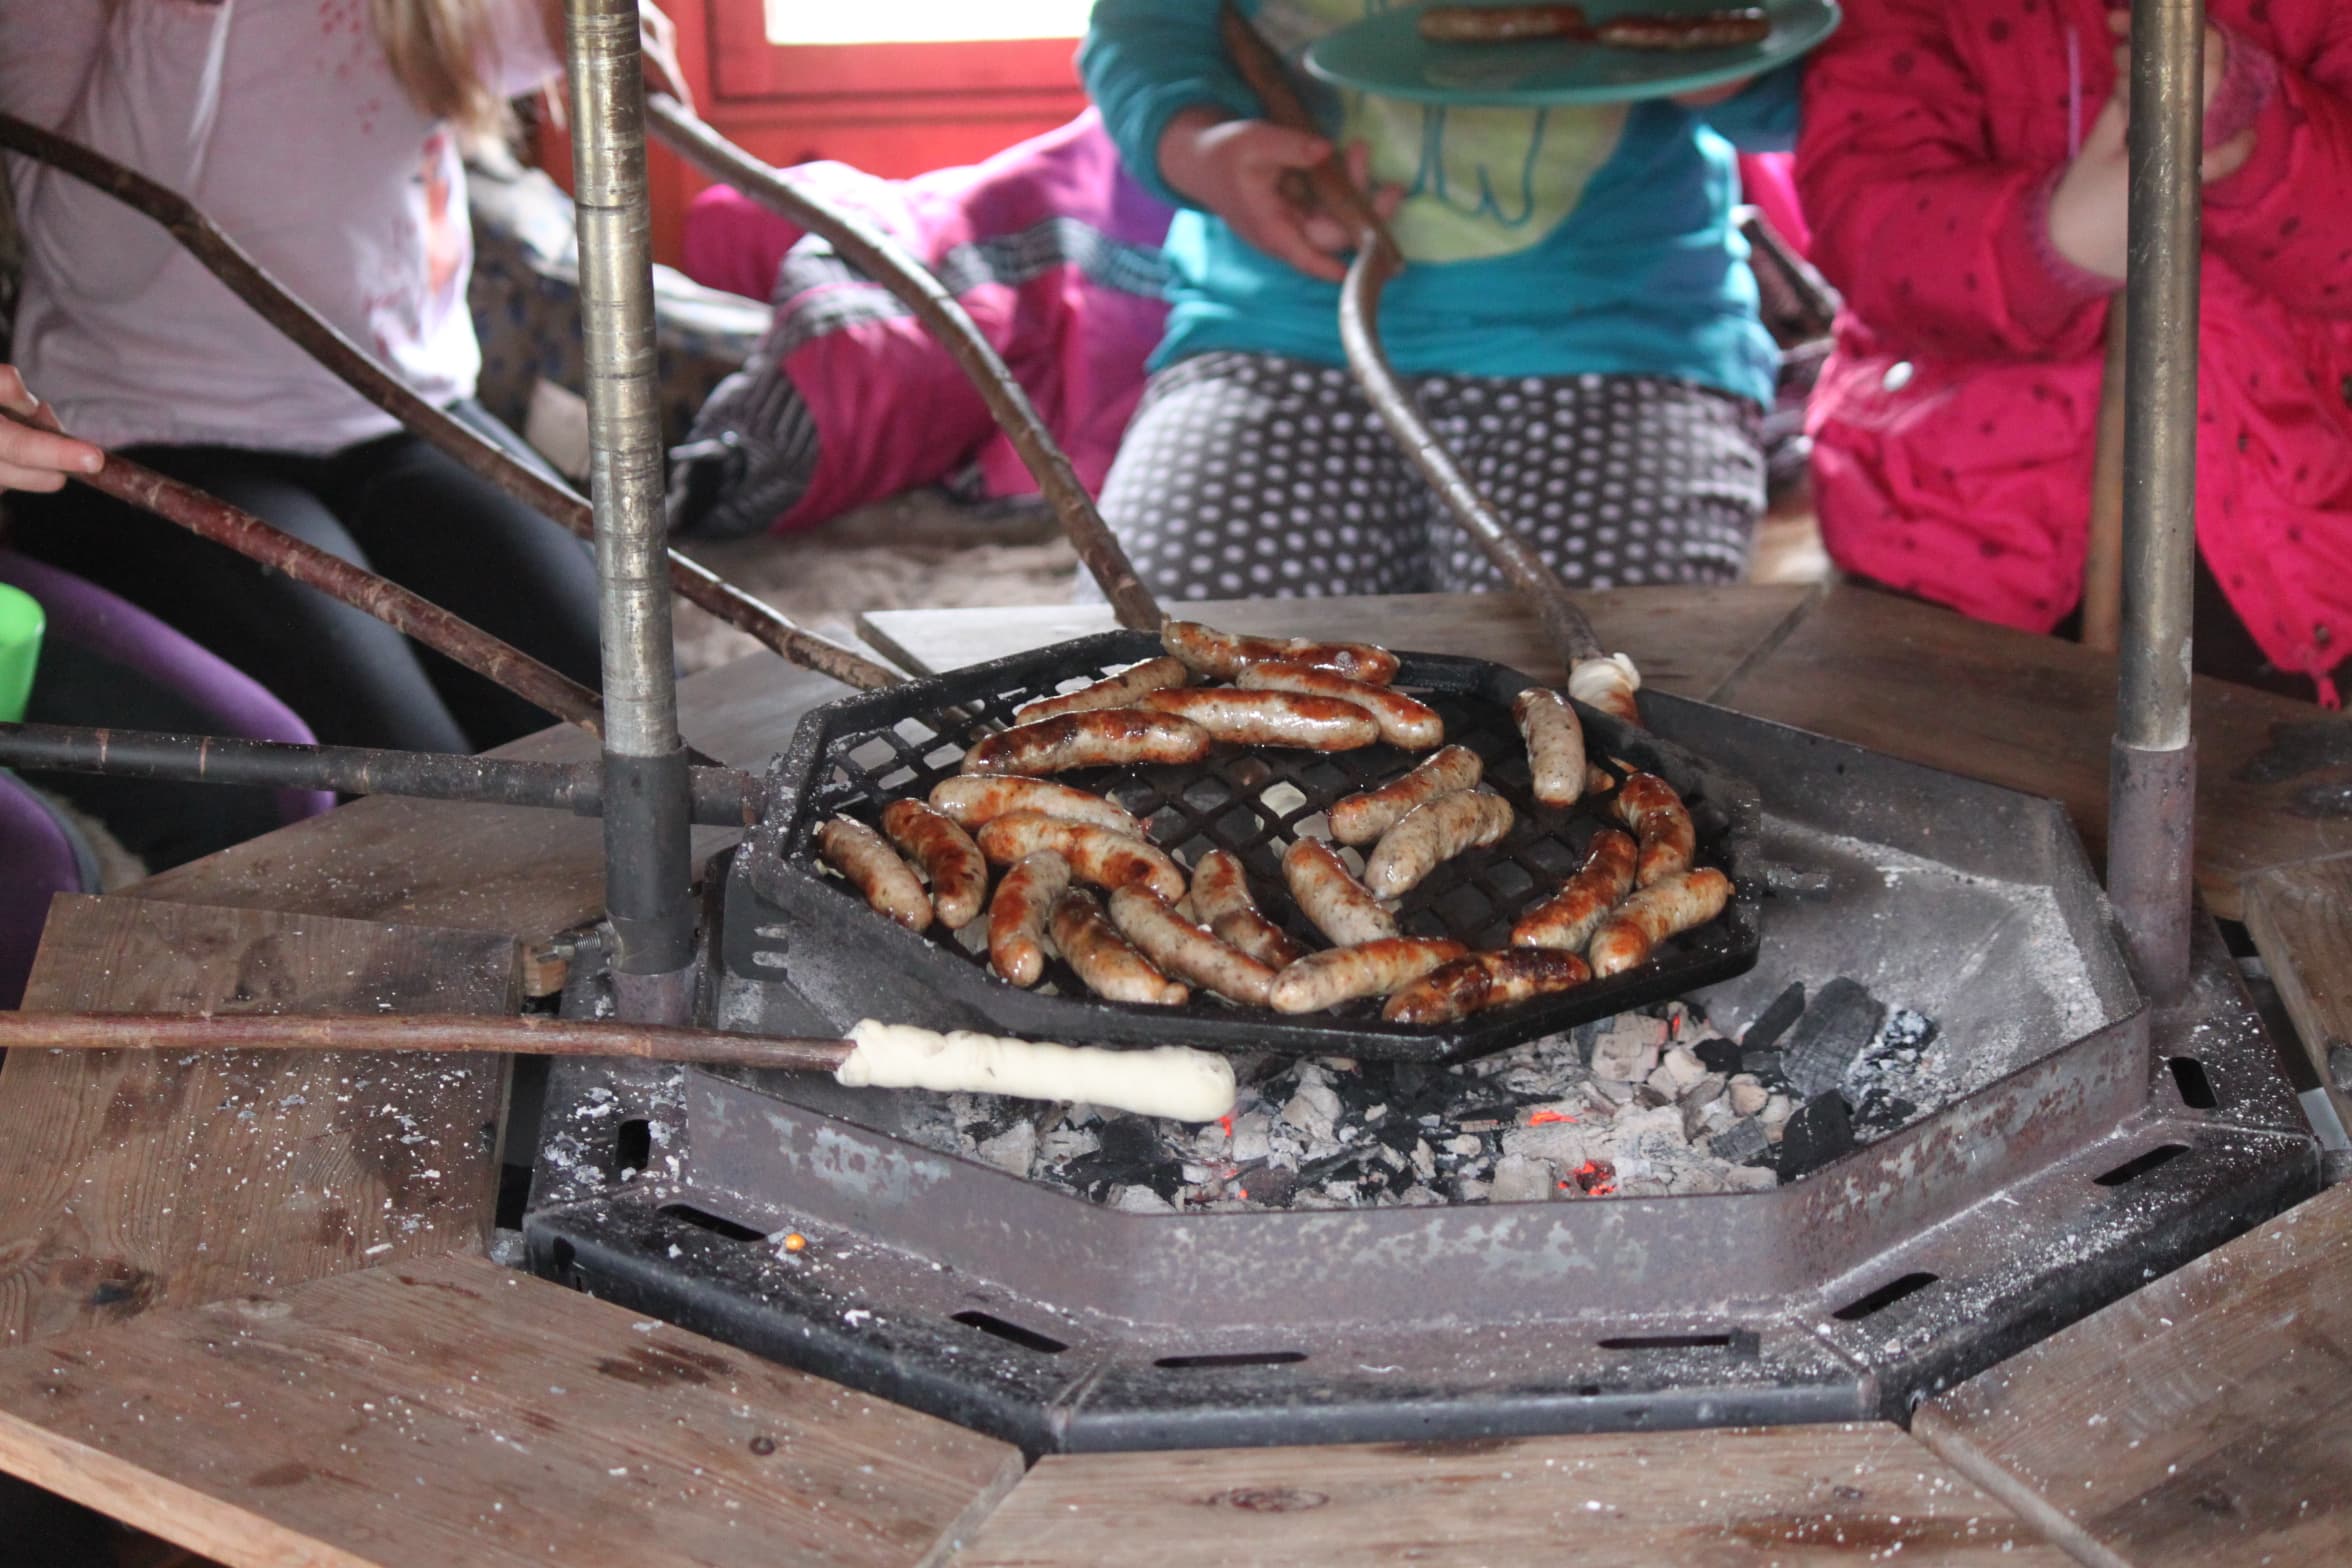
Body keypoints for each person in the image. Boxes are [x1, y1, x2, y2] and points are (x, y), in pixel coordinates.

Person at [0, 0, 680, 754]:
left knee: (626, 715)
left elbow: (489, 38)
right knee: (411, 779)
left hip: (405, 410)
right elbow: (91, 262)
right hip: (149, 432)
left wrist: (571, 27)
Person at [1076, 1, 1801, 605]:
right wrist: (1204, 151)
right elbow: (1148, 32)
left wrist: (1733, 66)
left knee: (1617, 691)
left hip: (1620, 347)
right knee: (1152, 651)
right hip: (1275, 338)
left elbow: (1816, 79)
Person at [1797, 2, 2352, 704]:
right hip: (1944, 531)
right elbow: (1865, 226)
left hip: (2278, 531)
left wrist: (2255, 134)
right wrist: (2053, 240)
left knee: (2241, 790)